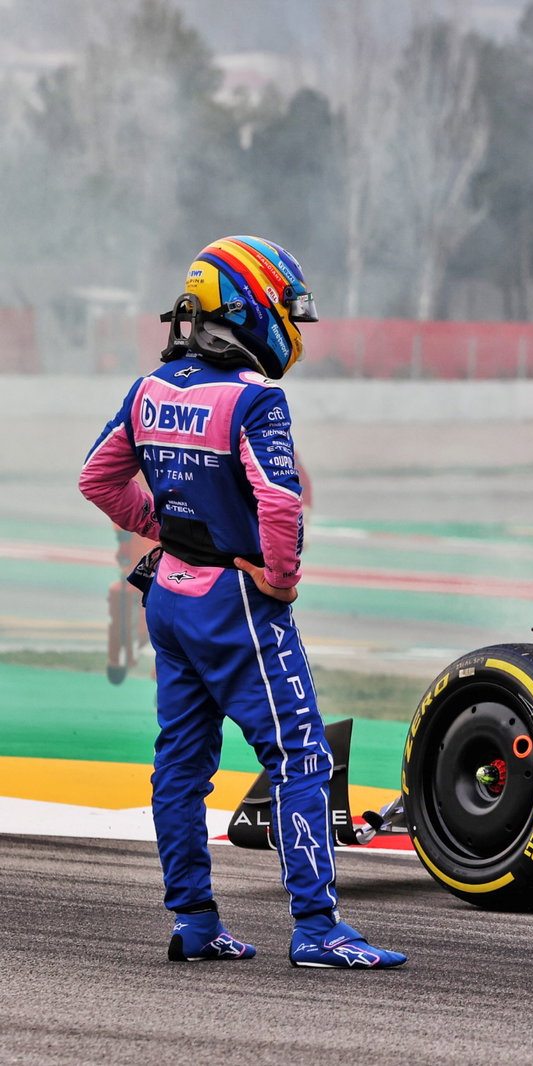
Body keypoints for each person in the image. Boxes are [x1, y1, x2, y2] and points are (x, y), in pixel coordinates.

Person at [79, 236, 406, 969]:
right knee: (301, 757)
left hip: (167, 597)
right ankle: (319, 928)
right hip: (236, 608)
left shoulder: (147, 391)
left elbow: (97, 482)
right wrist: (279, 580)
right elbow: (280, 506)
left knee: (180, 767)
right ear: (249, 306)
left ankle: (194, 921)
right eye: (288, 310)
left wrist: (168, 530)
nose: (293, 326)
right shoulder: (259, 400)